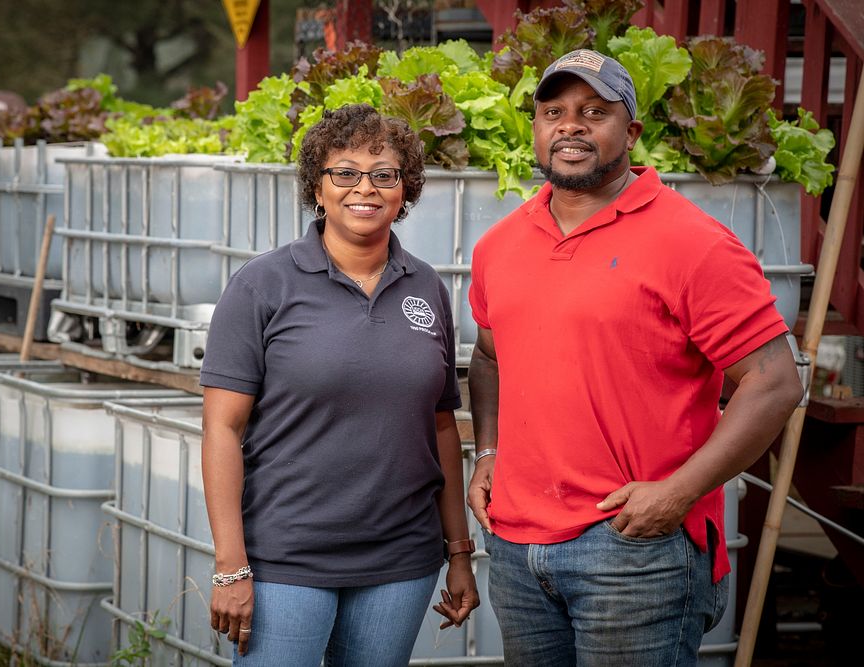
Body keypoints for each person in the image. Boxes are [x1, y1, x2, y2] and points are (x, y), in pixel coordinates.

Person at [466, 49, 803, 666]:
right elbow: (488, 357)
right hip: (517, 546)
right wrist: (488, 451)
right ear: (536, 129)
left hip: (634, 547)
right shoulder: (499, 244)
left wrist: (676, 494)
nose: (570, 126)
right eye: (553, 112)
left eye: (595, 112)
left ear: (633, 132)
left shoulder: (693, 243)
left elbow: (775, 383)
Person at [200, 103, 479, 666]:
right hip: (287, 560)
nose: (365, 188)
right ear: (317, 187)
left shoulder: (426, 287)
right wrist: (231, 565)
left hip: (401, 562)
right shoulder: (262, 285)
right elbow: (221, 430)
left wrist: (459, 552)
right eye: (345, 172)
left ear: (405, 190)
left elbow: (442, 427)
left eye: (384, 174)